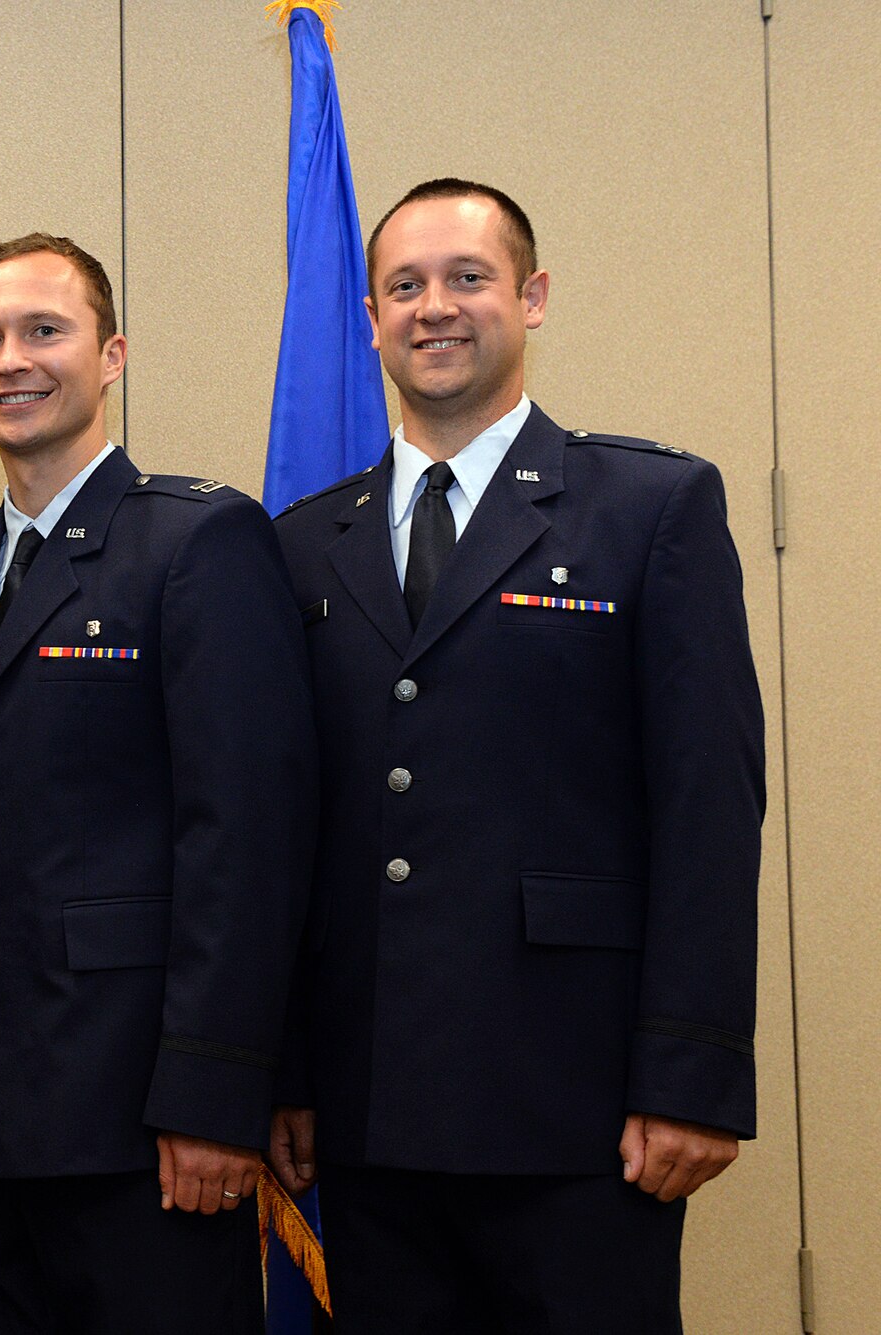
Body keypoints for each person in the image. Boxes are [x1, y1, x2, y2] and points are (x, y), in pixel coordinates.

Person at [267, 179, 765, 1333]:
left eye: (466, 278)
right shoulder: (300, 544)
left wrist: (690, 1075)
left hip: (577, 1105)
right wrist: (284, 1070)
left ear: (529, 297)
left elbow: (706, 803)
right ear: (368, 316)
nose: (433, 307)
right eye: (403, 286)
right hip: (370, 1101)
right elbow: (282, 827)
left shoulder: (649, 508)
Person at [0, 234, 317, 1334]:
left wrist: (214, 1098)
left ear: (111, 352)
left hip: (144, 1121)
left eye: (44, 330)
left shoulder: (195, 541)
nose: (9, 360)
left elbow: (243, 838)